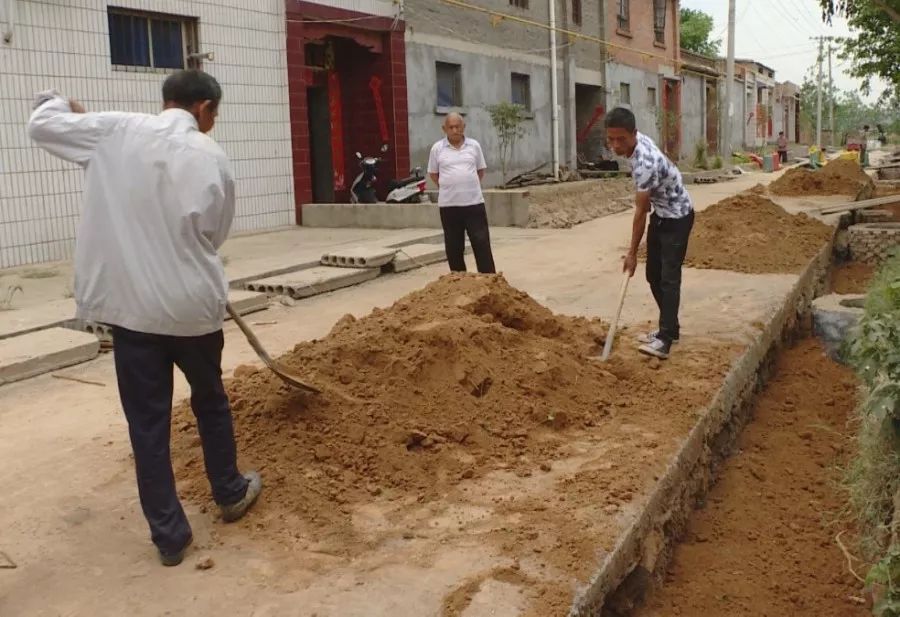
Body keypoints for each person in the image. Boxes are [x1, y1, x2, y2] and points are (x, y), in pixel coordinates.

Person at [28, 70, 262, 566]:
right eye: (214, 115)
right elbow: (214, 233)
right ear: (202, 108)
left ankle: (170, 538)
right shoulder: (209, 155)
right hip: (192, 310)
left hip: (131, 313)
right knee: (211, 402)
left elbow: (40, 125)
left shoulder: (113, 130)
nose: (212, 124)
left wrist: (62, 103)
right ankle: (229, 491)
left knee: (148, 425)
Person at [605, 107, 695, 360]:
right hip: (663, 214)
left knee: (669, 278)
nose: (615, 145)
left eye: (621, 139)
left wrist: (631, 253)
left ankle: (665, 339)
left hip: (677, 217)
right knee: (653, 275)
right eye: (610, 139)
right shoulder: (637, 143)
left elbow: (640, 212)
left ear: (634, 134)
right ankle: (671, 328)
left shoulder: (645, 163)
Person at [427, 113, 496, 273]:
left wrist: (467, 185)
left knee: (481, 242)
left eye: (458, 126)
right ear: (444, 129)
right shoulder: (437, 149)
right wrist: (449, 186)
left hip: (474, 204)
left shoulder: (474, 146)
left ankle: (488, 280)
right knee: (453, 245)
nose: (455, 130)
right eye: (451, 127)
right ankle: (459, 280)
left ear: (464, 127)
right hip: (449, 206)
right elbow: (433, 174)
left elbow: (480, 170)